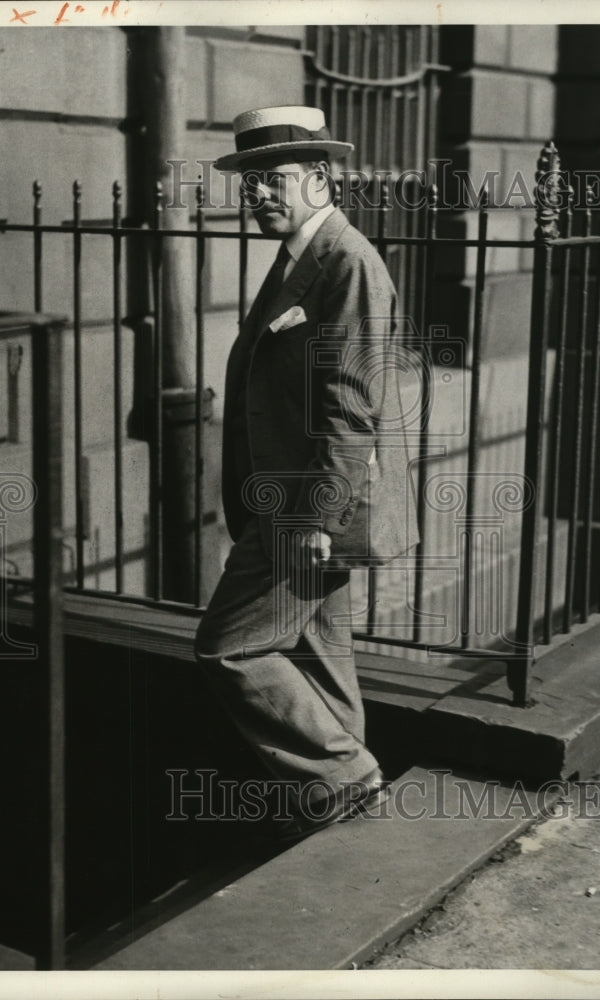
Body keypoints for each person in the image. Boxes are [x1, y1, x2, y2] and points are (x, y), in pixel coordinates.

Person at [195, 105, 419, 841]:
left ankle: (343, 779)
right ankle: (352, 807)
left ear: (320, 179)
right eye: (249, 182)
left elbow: (350, 404)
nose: (257, 194)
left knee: (230, 647)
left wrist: (321, 517)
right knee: (321, 653)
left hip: (309, 505)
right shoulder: (298, 257)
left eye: (274, 179)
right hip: (285, 498)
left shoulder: (347, 262)